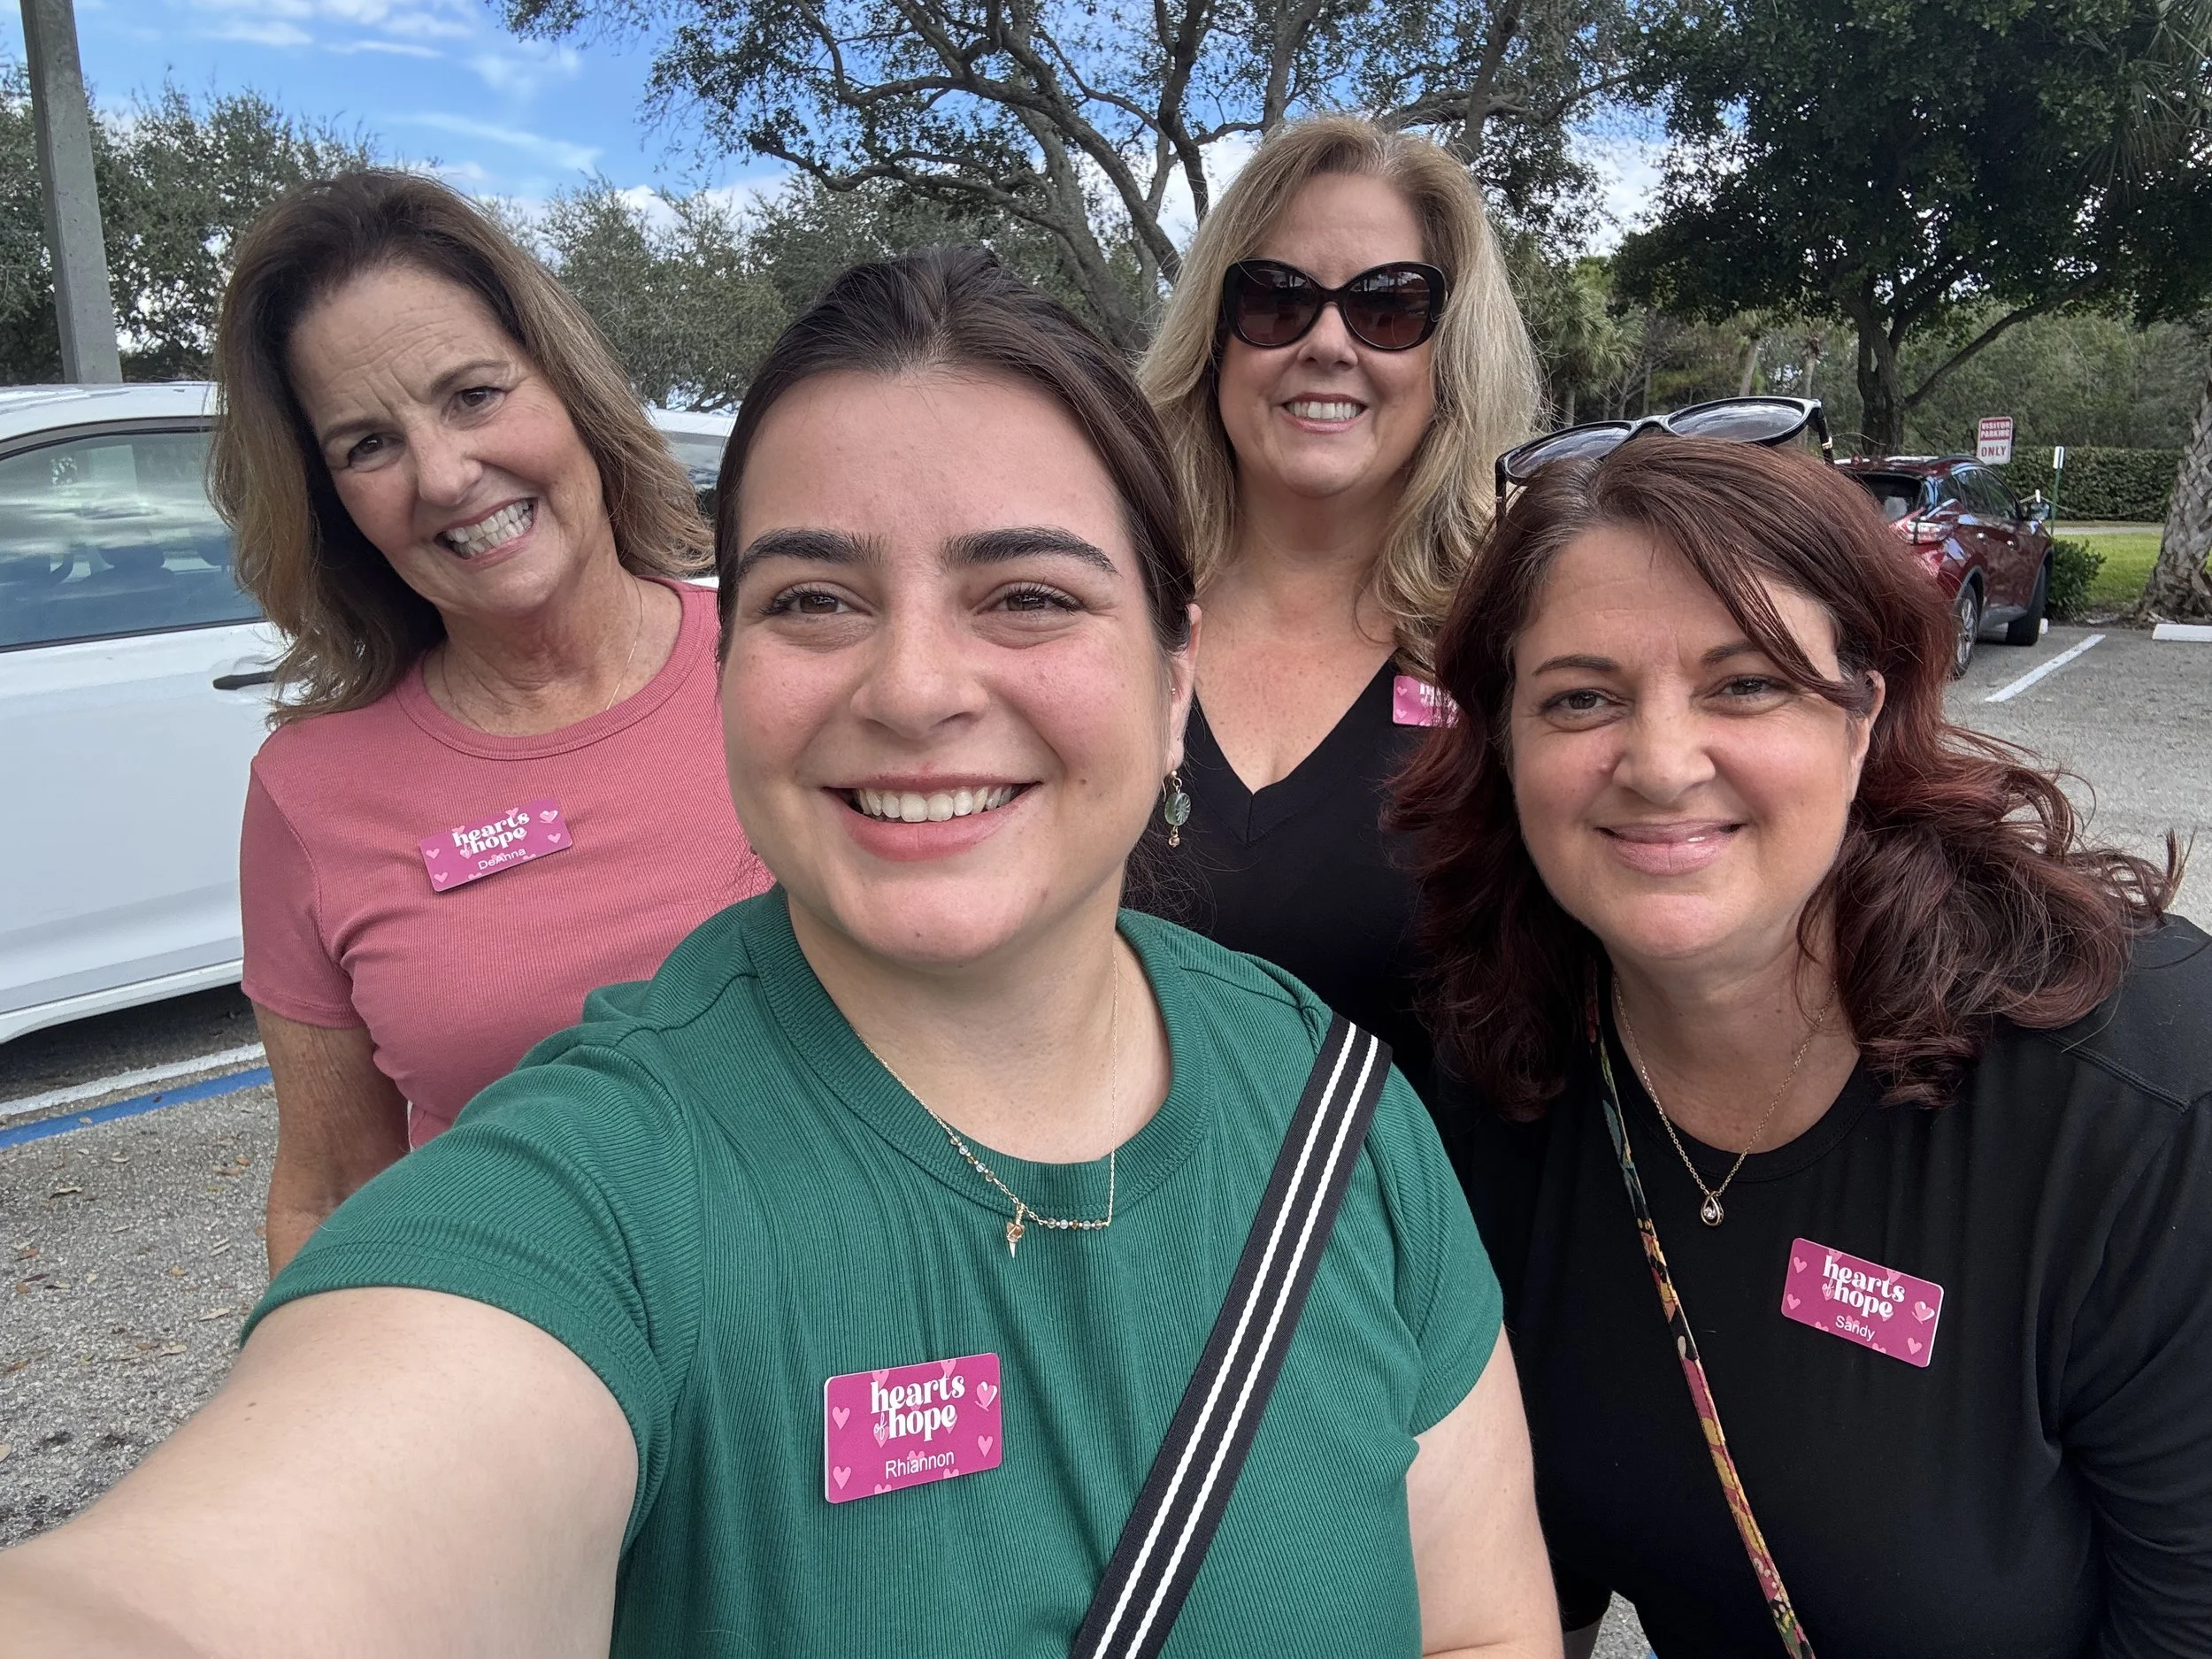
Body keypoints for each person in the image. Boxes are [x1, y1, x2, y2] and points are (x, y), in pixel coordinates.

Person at [0, 248, 1563, 1659]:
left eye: (1026, 593)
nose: (915, 683)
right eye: (816, 598)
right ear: (730, 668)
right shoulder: (602, 1188)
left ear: (1174, 680)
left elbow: (1483, 1626)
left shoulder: (1337, 1105)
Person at [1393, 431, 2212, 1657]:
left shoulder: (2137, 1084)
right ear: (1505, 741)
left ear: (1863, 713)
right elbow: (1521, 1583)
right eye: (1581, 696)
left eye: (1746, 681)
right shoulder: (1501, 1075)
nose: (1662, 762)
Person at [208, 170, 771, 1271]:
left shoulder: (789, 654)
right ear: (329, 501)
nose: (445, 473)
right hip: (535, 1380)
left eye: (473, 394)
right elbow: (330, 1194)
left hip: (871, 1358)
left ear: (567, 390)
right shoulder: (312, 792)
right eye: (367, 445)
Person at [1133, 114, 1540, 1096]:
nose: (1325, 342)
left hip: (1406, 1237)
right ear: (1216, 339)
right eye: (1274, 300)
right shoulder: (1101, 613)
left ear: (1448, 356)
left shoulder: (1519, 642)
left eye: (1388, 307)